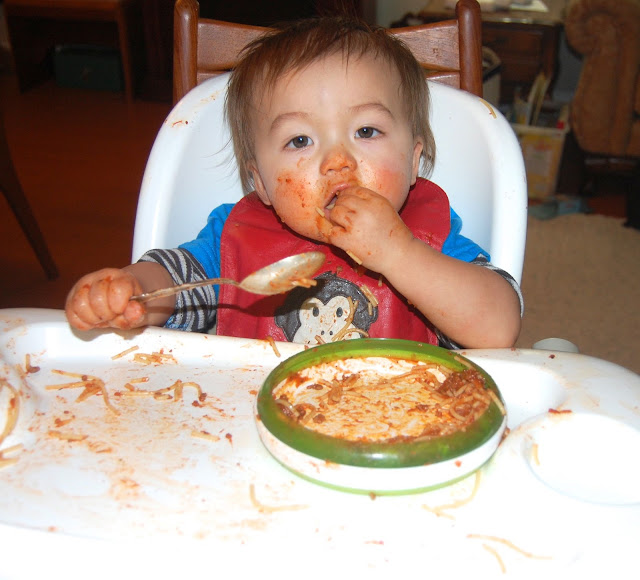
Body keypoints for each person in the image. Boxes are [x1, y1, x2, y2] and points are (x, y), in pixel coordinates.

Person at [65, 17, 523, 349]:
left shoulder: (428, 239)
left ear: (414, 160)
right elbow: (175, 285)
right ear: (259, 183)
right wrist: (132, 292)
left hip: (395, 429)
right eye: (300, 140)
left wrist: (399, 254)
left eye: (366, 131)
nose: (338, 161)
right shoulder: (234, 240)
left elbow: (498, 329)